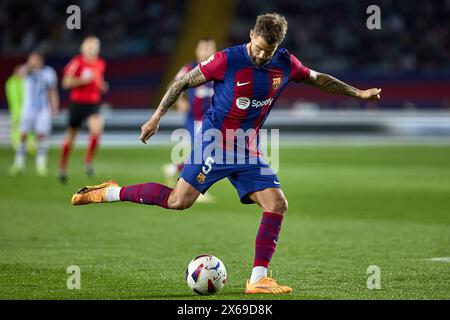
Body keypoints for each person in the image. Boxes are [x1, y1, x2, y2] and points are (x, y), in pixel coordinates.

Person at [71, 13, 381, 294]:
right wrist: (155, 118)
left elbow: (319, 80)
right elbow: (182, 83)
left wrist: (358, 93)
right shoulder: (227, 60)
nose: (261, 55)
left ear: (278, 47)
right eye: (258, 47)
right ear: (250, 35)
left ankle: (258, 279)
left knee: (277, 204)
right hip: (214, 144)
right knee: (178, 201)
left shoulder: (285, 63)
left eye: (268, 51)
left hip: (247, 149)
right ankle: (111, 192)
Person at [162, 38, 216, 203]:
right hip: (195, 118)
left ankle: (174, 168)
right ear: (197, 50)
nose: (206, 52)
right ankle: (193, 189)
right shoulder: (189, 68)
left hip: (212, 119)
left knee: (207, 153)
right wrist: (180, 101)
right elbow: (172, 86)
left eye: (209, 48)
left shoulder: (219, 68)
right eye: (203, 48)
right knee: (204, 153)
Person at [59, 36, 108, 184]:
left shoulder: (100, 63)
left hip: (93, 104)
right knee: (71, 136)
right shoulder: (77, 62)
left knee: (97, 128)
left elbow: (99, 81)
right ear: (83, 48)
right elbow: (66, 83)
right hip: (78, 103)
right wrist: (83, 80)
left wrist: (102, 85)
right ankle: (62, 166)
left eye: (96, 46)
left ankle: (87, 161)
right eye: (90, 46)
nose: (93, 48)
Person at [10, 52, 59, 176]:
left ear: (41, 60)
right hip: (28, 109)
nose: (33, 61)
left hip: (43, 109)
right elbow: (19, 73)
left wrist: (54, 105)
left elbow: (52, 90)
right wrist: (30, 65)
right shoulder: (26, 69)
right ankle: (18, 164)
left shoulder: (49, 72)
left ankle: (41, 164)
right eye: (31, 59)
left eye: (35, 59)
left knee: (41, 135)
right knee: (23, 135)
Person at [5, 66, 36, 153]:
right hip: (17, 110)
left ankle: (31, 144)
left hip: (26, 109)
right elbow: (14, 98)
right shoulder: (12, 82)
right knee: (17, 127)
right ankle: (16, 143)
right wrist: (19, 110)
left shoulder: (25, 81)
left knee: (28, 127)